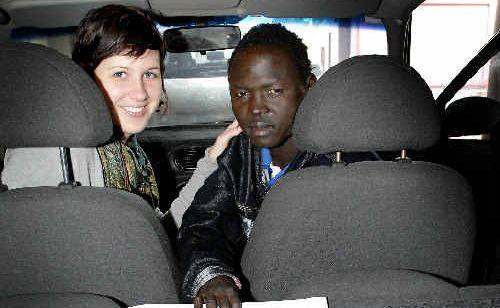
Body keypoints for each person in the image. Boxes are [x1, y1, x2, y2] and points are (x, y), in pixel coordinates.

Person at [177, 23, 334, 308]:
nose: (256, 108)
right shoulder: (240, 155)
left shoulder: (340, 165)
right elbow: (201, 224)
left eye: (273, 91)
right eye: (241, 94)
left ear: (308, 88)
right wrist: (213, 276)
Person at [1, 4, 164, 208]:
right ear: (86, 79)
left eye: (149, 74)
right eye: (120, 74)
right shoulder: (58, 154)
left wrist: (208, 167)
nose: (140, 93)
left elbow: (150, 232)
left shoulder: (125, 149)